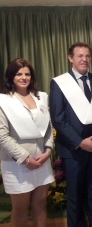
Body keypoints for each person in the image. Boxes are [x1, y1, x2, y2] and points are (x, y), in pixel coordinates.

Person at [50, 42, 92, 227]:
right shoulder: (60, 83)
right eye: (80, 56)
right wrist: (79, 142)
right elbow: (58, 118)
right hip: (72, 150)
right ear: (71, 58)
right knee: (75, 198)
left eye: (87, 56)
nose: (84, 59)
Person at [0, 58, 54, 227]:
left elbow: (48, 127)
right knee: (20, 209)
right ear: (11, 76)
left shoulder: (41, 97)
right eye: (19, 74)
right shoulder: (3, 100)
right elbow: (2, 136)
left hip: (42, 161)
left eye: (27, 74)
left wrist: (48, 151)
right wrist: (25, 159)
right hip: (18, 164)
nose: (24, 77)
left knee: (40, 204)